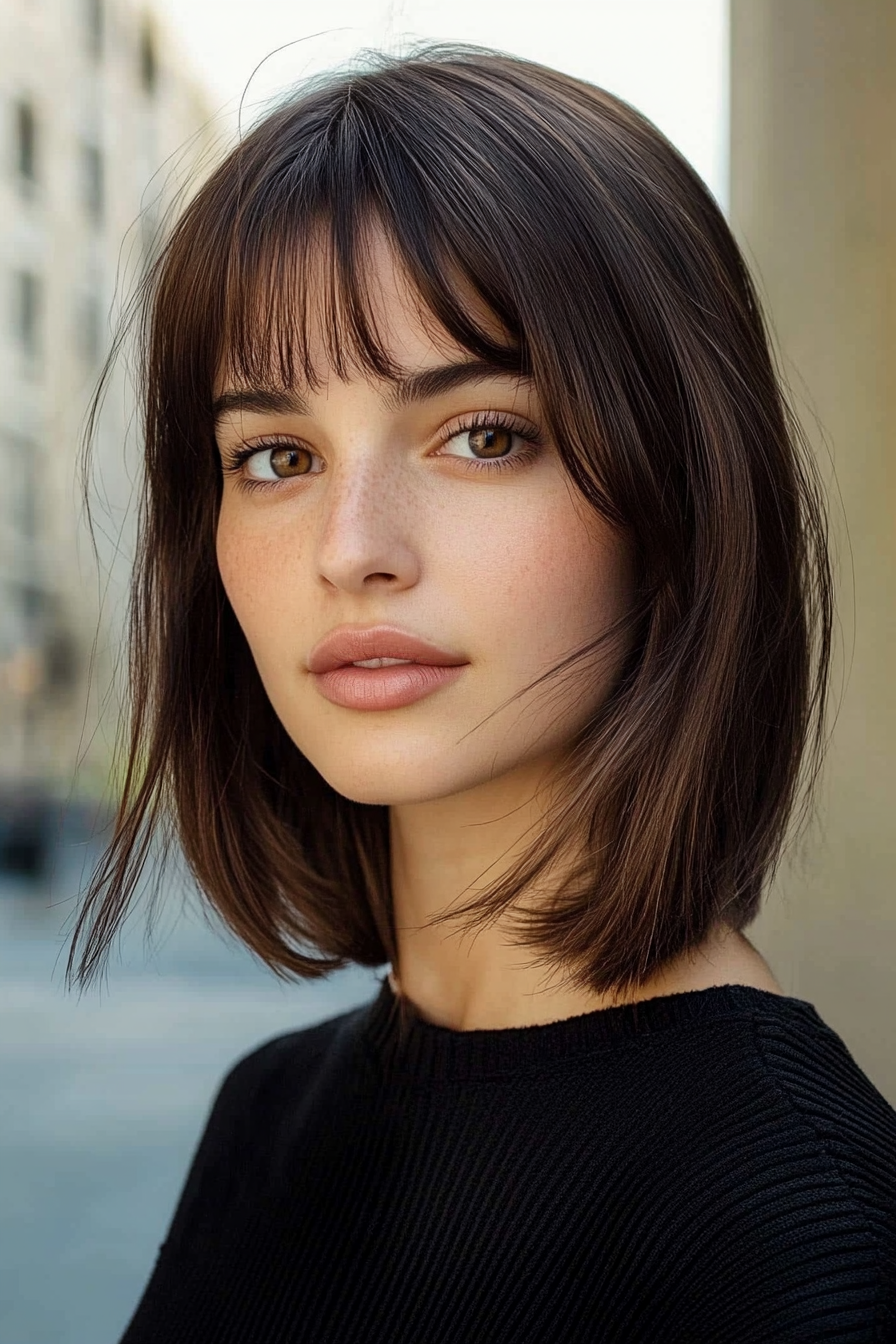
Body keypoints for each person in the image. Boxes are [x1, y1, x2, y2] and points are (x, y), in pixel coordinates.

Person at [68, 45, 896, 1342]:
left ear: (680, 494)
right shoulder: (272, 1111)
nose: (352, 547)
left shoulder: (796, 1236)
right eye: (276, 455)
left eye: (485, 435)